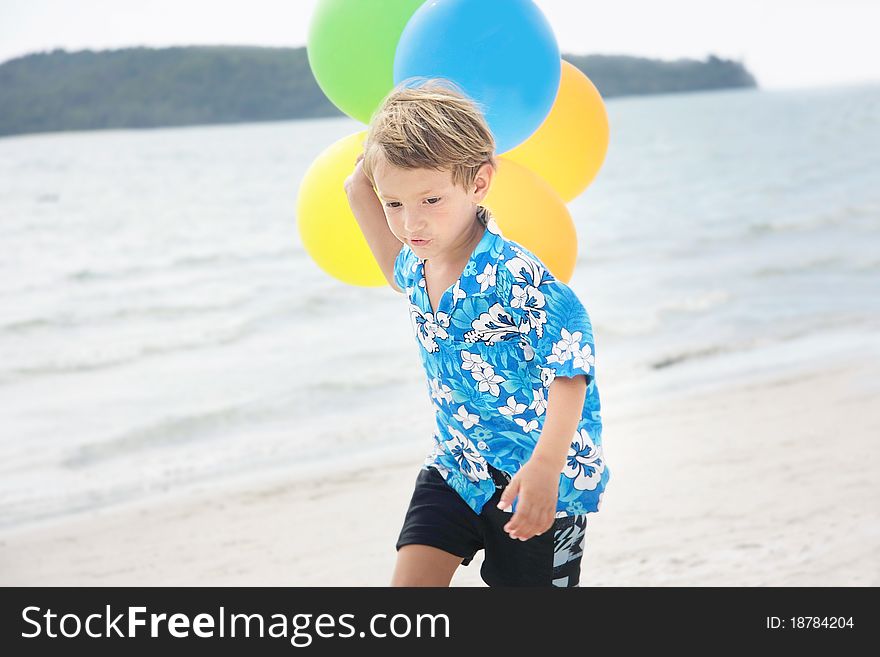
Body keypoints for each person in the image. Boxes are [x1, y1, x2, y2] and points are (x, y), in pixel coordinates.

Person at [343, 78, 610, 587]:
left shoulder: (515, 275)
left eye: (430, 200)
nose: (410, 222)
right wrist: (360, 187)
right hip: (455, 467)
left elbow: (570, 370)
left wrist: (546, 467)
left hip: (537, 483)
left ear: (479, 183)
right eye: (394, 204)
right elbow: (389, 264)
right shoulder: (416, 266)